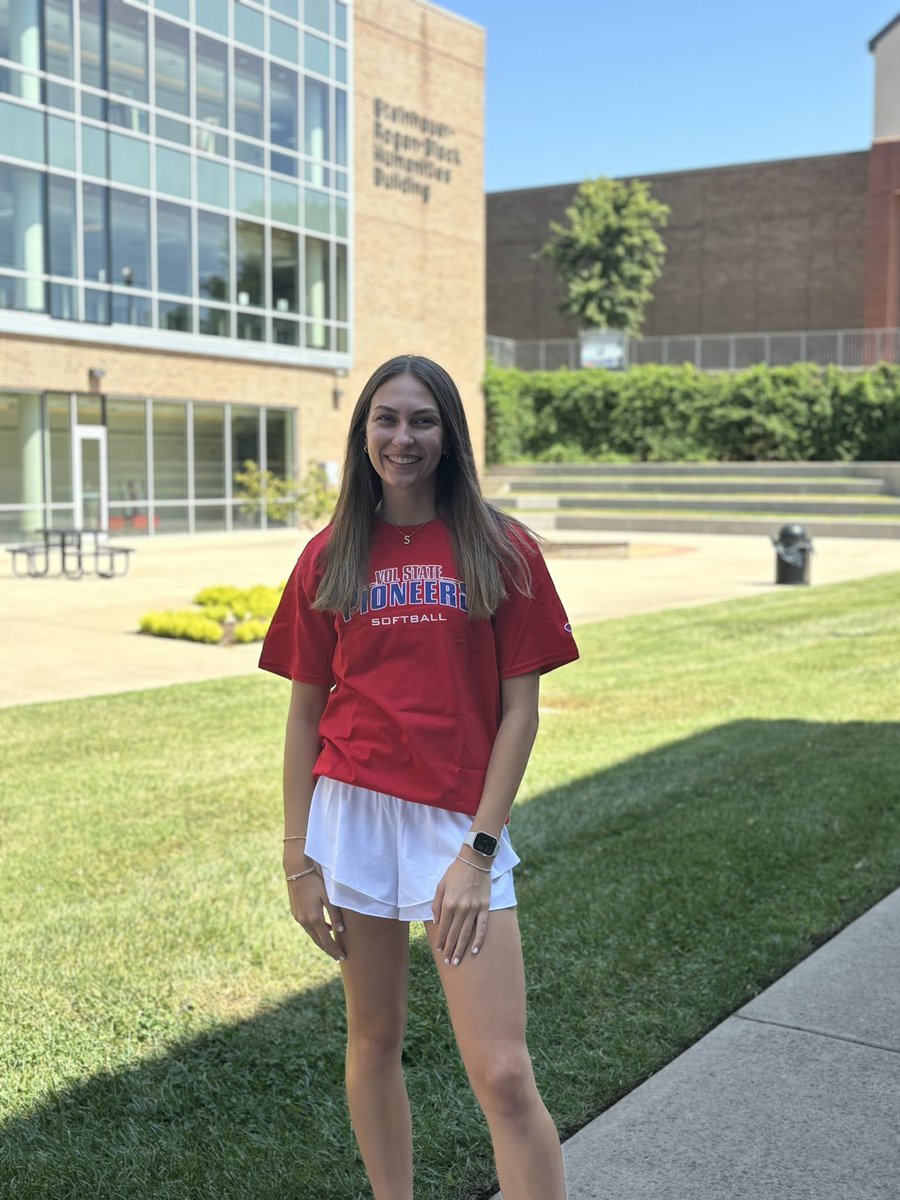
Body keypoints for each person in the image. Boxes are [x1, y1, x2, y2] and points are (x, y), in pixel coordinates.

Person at [259, 354, 578, 1200]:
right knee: (373, 1041)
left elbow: (521, 713)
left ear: (451, 435)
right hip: (352, 816)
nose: (404, 438)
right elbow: (303, 713)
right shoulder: (329, 555)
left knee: (504, 1073)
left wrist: (478, 852)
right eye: (387, 420)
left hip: (455, 824)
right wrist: (299, 857)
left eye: (423, 421)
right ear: (364, 432)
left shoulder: (502, 548)